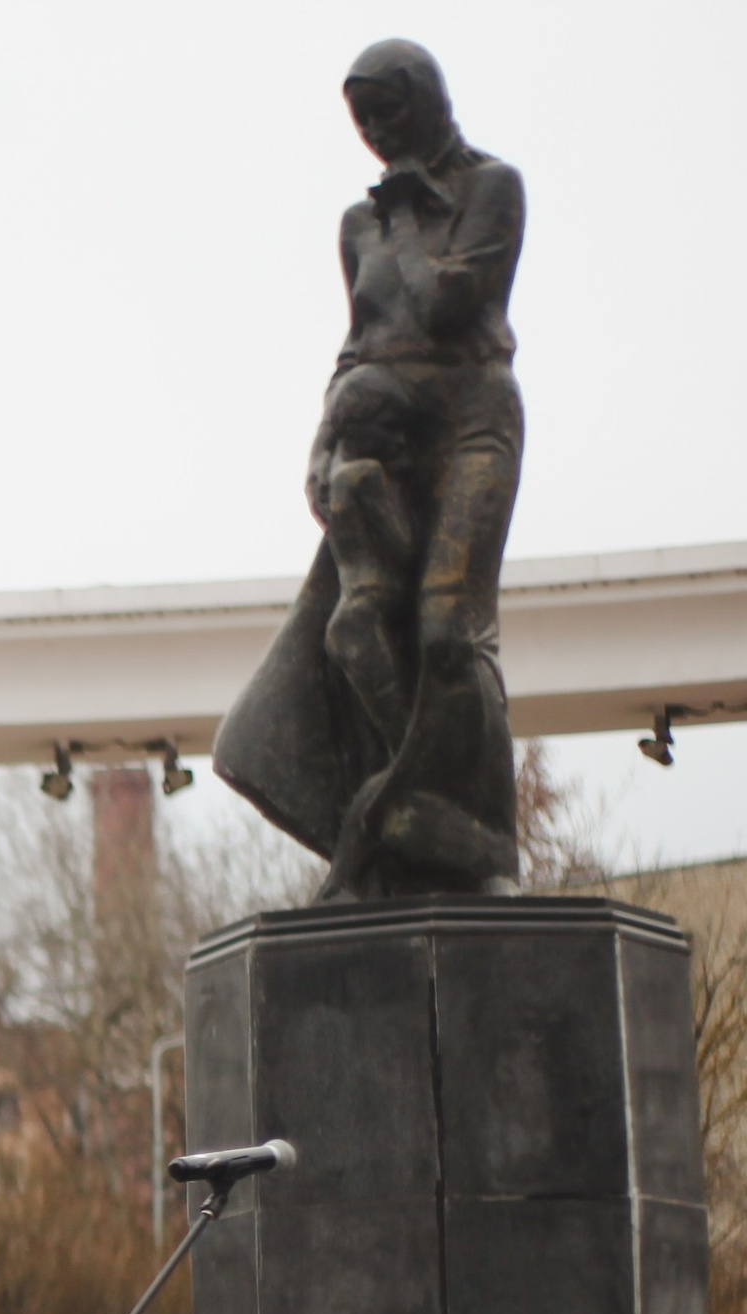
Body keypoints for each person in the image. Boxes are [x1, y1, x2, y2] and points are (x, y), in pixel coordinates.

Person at [214, 39, 525, 899]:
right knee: (359, 634)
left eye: (388, 111)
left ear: (429, 98)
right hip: (380, 432)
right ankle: (408, 831)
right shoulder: (357, 225)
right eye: (362, 121)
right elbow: (358, 346)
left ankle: (490, 844)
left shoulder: (489, 188)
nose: (377, 132)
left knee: (449, 637)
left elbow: (449, 303)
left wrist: (411, 214)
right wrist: (323, 441)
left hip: (470, 425)